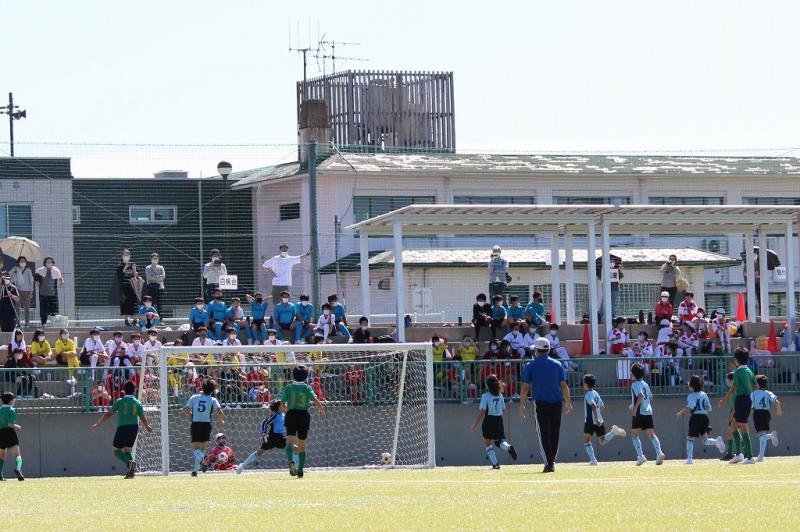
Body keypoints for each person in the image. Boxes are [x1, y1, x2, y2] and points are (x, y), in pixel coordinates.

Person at [519, 337, 572, 473]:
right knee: (555, 432)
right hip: (557, 402)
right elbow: (564, 385)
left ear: (536, 350)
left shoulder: (531, 365)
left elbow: (525, 387)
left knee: (544, 433)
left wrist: (522, 404)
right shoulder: (557, 364)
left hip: (540, 403)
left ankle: (549, 462)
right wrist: (568, 402)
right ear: (548, 350)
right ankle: (552, 461)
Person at [90, 380, 152, 479]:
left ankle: (129, 463)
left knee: (115, 450)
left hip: (123, 427)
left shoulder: (120, 401)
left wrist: (98, 424)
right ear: (134, 390)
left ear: (124, 390)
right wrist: (147, 426)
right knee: (127, 450)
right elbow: (142, 417)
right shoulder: (137, 403)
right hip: (134, 428)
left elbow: (109, 414)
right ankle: (131, 471)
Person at [281, 365, 325, 478]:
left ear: (293, 376)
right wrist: (320, 409)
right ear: (306, 376)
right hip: (304, 415)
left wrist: (288, 411)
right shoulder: (307, 388)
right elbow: (315, 400)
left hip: (291, 414)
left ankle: (291, 461)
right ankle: (300, 470)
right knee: (302, 445)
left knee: (289, 442)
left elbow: (282, 405)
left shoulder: (289, 387)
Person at [675, 375, 726, 464]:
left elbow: (691, 407)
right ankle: (716, 442)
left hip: (695, 418)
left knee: (690, 438)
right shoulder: (704, 394)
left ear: (691, 386)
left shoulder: (691, 396)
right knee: (705, 440)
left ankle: (689, 459)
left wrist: (681, 412)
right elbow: (709, 408)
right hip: (704, 418)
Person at [469, 374, 517, 469]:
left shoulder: (485, 396)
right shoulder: (500, 395)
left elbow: (482, 412)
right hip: (499, 420)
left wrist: (474, 424)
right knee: (499, 442)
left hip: (489, 420)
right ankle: (508, 447)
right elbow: (503, 409)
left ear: (488, 385)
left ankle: (495, 464)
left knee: (488, 442)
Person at [719, 348, 756, 464]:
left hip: (741, 400)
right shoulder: (749, 371)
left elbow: (733, 389)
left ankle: (750, 457)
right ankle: (739, 454)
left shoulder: (738, 372)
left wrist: (724, 399)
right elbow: (755, 386)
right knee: (733, 427)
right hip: (746, 399)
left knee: (743, 428)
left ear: (736, 360)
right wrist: (748, 391)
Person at [582, 374, 626, 465]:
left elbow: (593, 405)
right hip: (600, 421)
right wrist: (598, 416)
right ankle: (613, 433)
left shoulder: (588, 394)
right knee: (602, 441)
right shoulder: (595, 393)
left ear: (586, 384)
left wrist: (596, 418)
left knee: (586, 440)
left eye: (583, 383)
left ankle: (593, 460)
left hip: (590, 422)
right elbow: (602, 406)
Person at [185, 379, 225, 477]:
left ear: (202, 387)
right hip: (207, 426)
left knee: (196, 450)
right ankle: (195, 470)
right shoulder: (213, 399)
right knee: (202, 449)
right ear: (212, 390)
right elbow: (220, 412)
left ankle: (205, 459)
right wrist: (221, 420)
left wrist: (192, 415)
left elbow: (186, 410)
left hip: (196, 425)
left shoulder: (194, 397)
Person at [628, 362, 665, 466]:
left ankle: (641, 456)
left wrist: (635, 408)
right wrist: (636, 404)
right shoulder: (645, 384)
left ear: (634, 374)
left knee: (634, 435)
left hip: (639, 412)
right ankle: (659, 453)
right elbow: (650, 397)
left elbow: (640, 396)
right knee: (652, 435)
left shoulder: (635, 384)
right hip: (648, 412)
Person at [237, 399, 287, 474]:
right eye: (284, 405)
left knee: (292, 446)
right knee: (260, 452)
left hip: (281, 437)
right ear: (279, 407)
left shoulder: (284, 416)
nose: (286, 406)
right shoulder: (275, 416)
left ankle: (297, 466)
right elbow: (264, 423)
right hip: (273, 437)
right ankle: (243, 465)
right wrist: (263, 434)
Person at [751, 374, 781, 462]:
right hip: (766, 413)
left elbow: (750, 404)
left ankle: (761, 456)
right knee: (762, 435)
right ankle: (770, 437)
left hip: (757, 413)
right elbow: (777, 402)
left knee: (761, 436)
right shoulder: (768, 393)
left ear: (756, 384)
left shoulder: (753, 393)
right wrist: (778, 410)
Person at [0, 392, 24, 481]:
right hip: (9, 433)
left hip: (1, 433)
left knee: (1, 455)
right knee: (17, 455)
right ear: (11, 400)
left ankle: (0, 475)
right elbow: (10, 424)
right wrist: (17, 426)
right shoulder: (11, 410)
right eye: (14, 399)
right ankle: (18, 469)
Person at [34, 257, 63, 328]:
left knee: (54, 309)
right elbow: (36, 278)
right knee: (43, 310)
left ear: (53, 263)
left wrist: (62, 282)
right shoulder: (40, 270)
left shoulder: (56, 270)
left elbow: (60, 277)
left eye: (50, 262)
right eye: (47, 262)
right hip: (43, 293)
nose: (49, 263)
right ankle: (43, 323)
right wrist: (37, 283)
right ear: (45, 263)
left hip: (53, 293)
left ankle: (54, 324)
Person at [116, 250, 139, 327]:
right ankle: (126, 320)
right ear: (122, 256)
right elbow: (119, 277)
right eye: (125, 255)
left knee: (134, 304)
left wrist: (134, 270)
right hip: (123, 288)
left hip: (132, 287)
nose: (126, 256)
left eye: (128, 255)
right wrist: (125, 268)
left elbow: (136, 277)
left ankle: (135, 320)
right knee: (125, 304)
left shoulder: (133, 265)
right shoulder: (120, 266)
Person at [9, 257, 33, 328]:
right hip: (18, 290)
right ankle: (18, 323)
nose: (23, 262)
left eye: (24, 261)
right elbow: (9, 274)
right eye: (21, 261)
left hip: (27, 291)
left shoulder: (28, 270)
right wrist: (15, 269)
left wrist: (31, 292)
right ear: (18, 262)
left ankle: (27, 323)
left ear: (26, 262)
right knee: (17, 308)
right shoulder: (16, 269)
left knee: (26, 308)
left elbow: (31, 281)